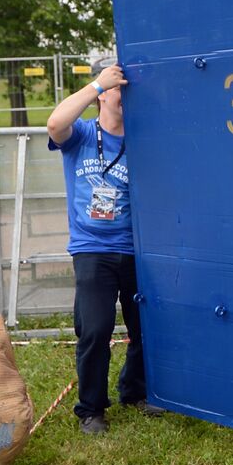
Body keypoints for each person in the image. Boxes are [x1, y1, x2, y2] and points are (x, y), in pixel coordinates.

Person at [46, 60, 163, 434]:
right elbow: (54, 124)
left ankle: (135, 391)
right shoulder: (80, 135)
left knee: (145, 326)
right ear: (103, 95)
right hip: (91, 248)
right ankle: (92, 409)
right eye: (118, 87)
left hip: (134, 248)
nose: (123, 94)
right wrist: (97, 84)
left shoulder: (143, 142)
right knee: (95, 329)